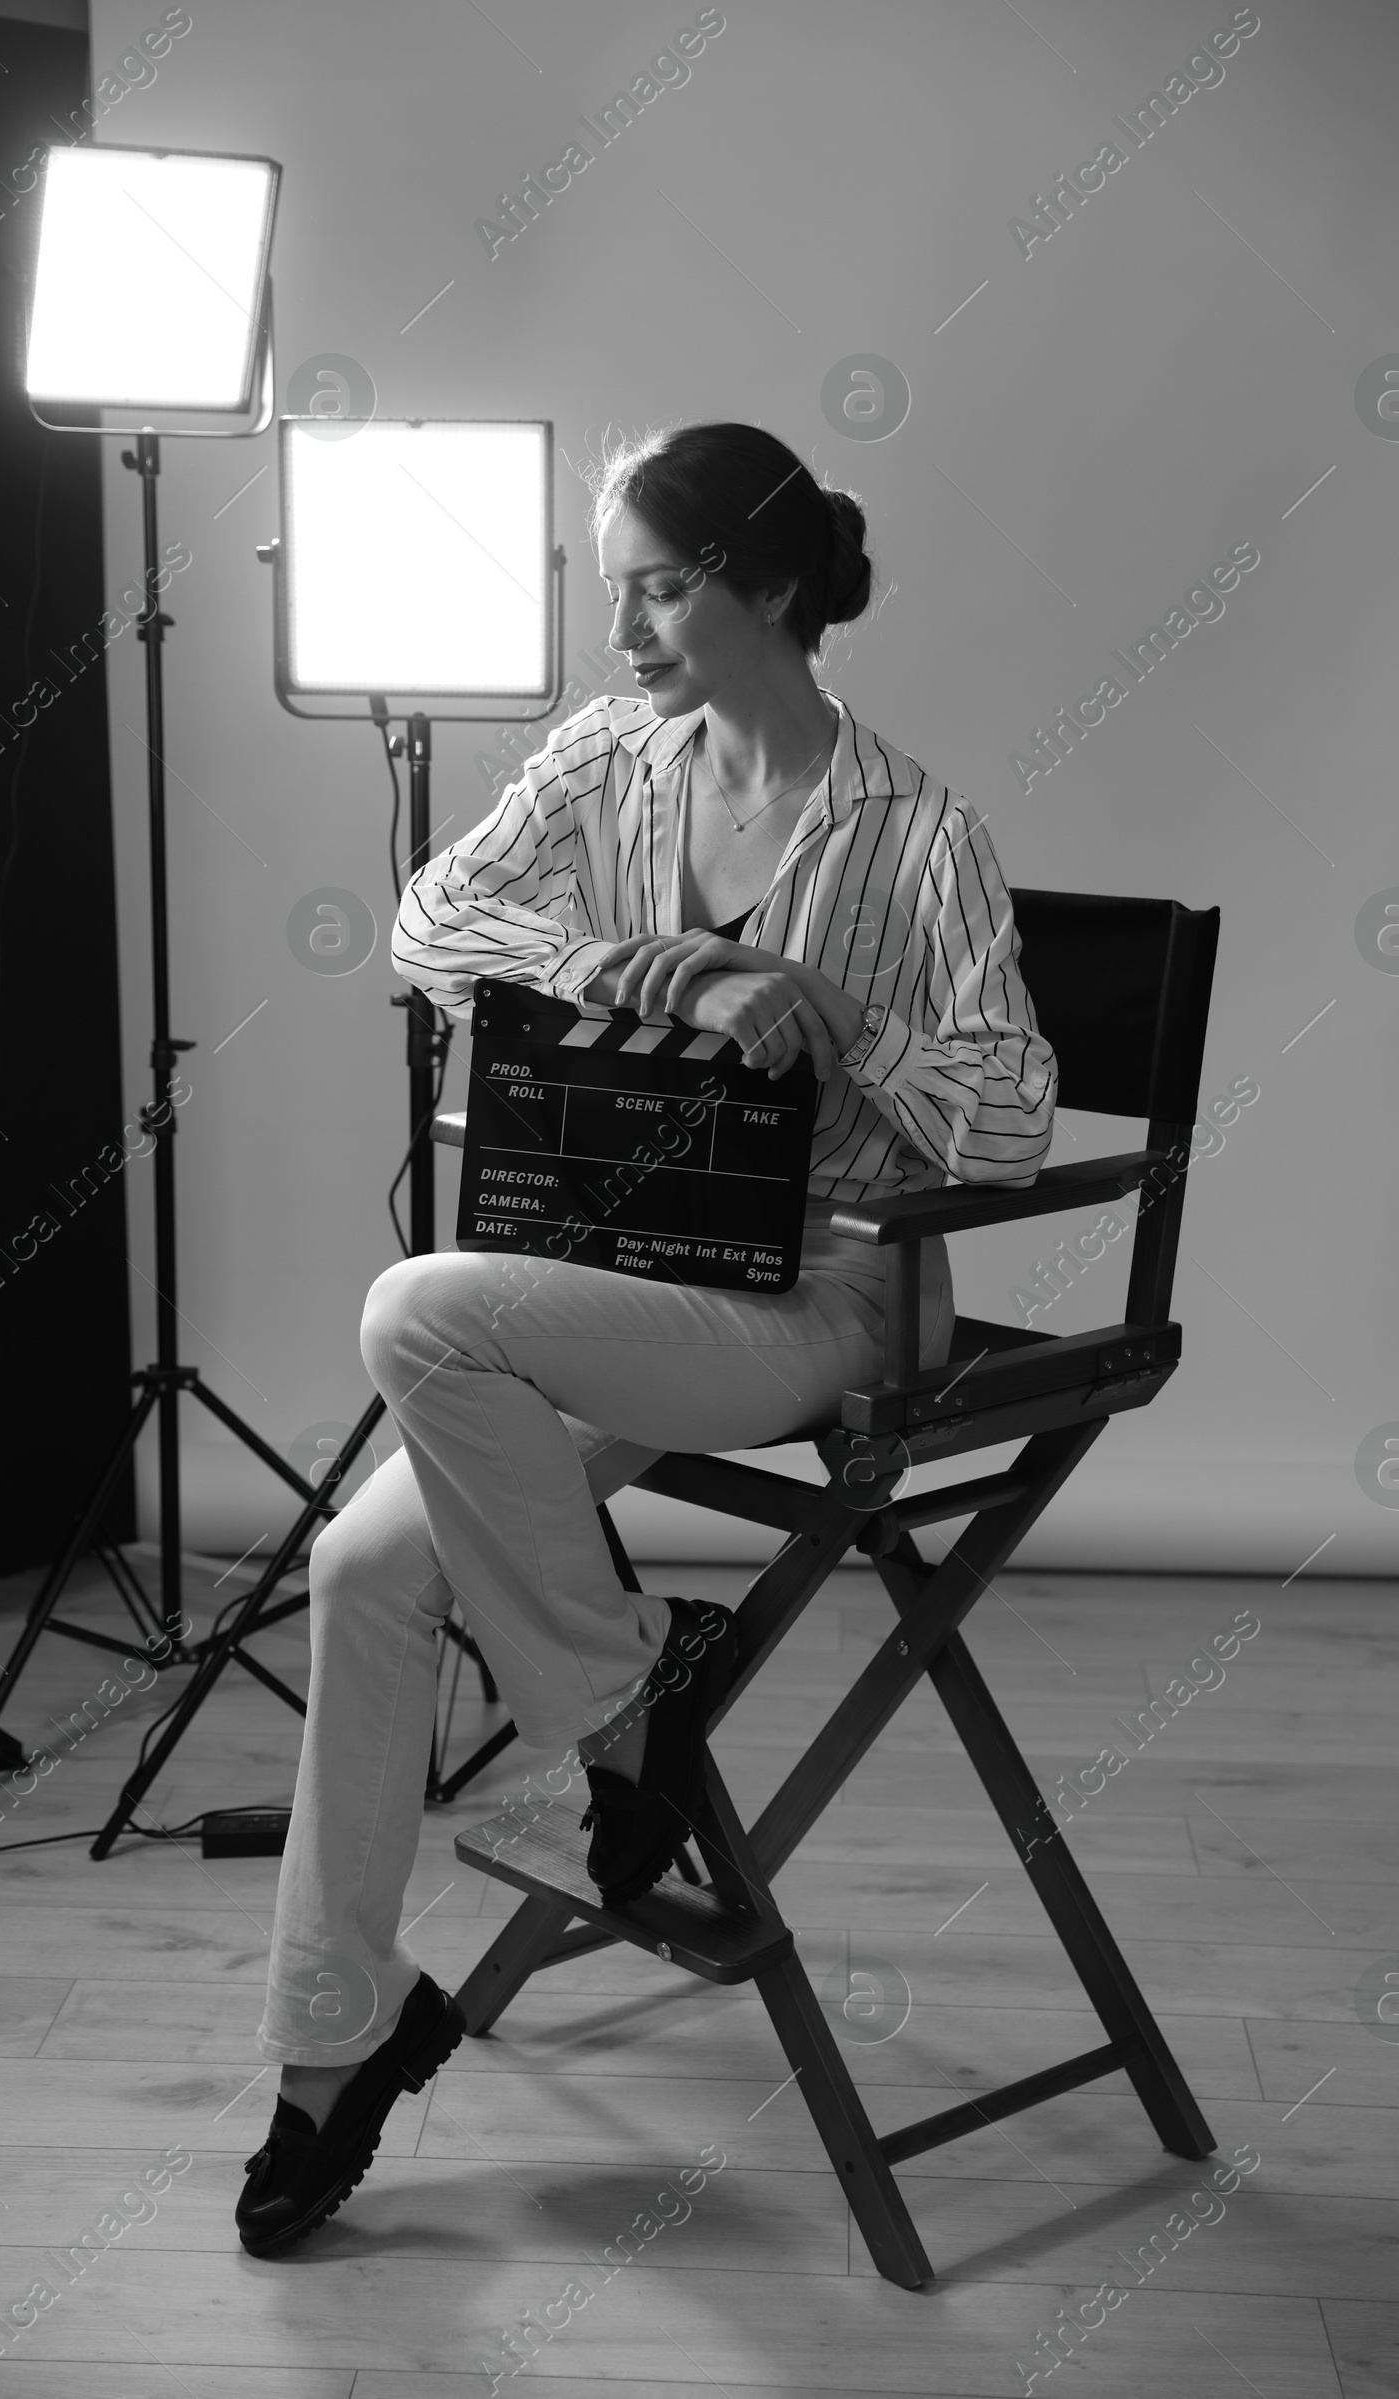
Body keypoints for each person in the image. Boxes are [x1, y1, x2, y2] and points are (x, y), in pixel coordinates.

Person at [235, 418, 1057, 2256]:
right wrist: (646, 962)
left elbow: (1010, 1127)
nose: (624, 631)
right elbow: (430, 922)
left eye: (662, 588)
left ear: (768, 589)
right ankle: (335, 2049)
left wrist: (842, 1019)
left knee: (416, 1306)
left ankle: (619, 1706)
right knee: (365, 1574)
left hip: (827, 1292)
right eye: (612, 589)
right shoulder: (612, 757)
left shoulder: (916, 831)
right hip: (617, 1271)